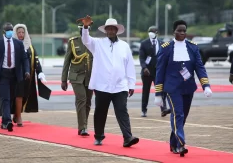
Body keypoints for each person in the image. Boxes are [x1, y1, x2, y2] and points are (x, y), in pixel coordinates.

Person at [77, 15, 139, 147]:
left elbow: (129, 66)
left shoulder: (124, 46)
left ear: (116, 30)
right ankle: (99, 136)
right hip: (102, 86)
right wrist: (86, 27)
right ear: (105, 31)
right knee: (100, 111)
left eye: (113, 29)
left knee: (122, 110)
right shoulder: (98, 44)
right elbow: (85, 40)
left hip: (120, 85)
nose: (110, 31)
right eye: (108, 29)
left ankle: (127, 137)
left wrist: (131, 84)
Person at [154, 20, 212, 156]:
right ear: (174, 31)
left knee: (182, 117)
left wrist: (206, 85)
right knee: (178, 114)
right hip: (172, 88)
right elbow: (160, 70)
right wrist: (158, 93)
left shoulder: (193, 47)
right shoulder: (166, 47)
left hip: (188, 88)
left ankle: (173, 142)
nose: (182, 33)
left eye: (184, 31)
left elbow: (199, 67)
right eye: (179, 30)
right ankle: (181, 144)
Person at [0, 22, 30, 132]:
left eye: (11, 30)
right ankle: (7, 121)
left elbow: (24, 59)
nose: (10, 32)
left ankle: (4, 121)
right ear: (4, 32)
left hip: (15, 75)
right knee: (6, 98)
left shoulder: (18, 44)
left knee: (11, 98)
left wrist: (26, 71)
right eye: (8, 30)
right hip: (3, 74)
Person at [12, 24, 47, 127]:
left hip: (28, 75)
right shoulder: (12, 45)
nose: (21, 34)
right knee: (17, 96)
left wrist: (40, 71)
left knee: (24, 96)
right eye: (19, 32)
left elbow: (36, 59)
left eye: (23, 32)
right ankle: (18, 117)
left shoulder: (30, 46)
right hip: (15, 75)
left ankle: (17, 114)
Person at [61, 25, 93, 136]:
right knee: (81, 99)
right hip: (76, 77)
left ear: (89, 30)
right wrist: (63, 79)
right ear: (80, 30)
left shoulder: (94, 43)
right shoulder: (73, 42)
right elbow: (67, 61)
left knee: (88, 102)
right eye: (82, 29)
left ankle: (83, 125)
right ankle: (83, 127)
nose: (84, 31)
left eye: (86, 29)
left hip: (90, 77)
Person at [139, 26, 170, 117]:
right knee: (146, 91)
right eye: (149, 31)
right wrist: (144, 68)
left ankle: (163, 109)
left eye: (152, 31)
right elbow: (141, 58)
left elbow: (165, 57)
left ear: (157, 33)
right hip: (147, 72)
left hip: (158, 72)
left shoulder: (162, 43)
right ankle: (144, 110)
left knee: (161, 90)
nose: (151, 33)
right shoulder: (144, 43)